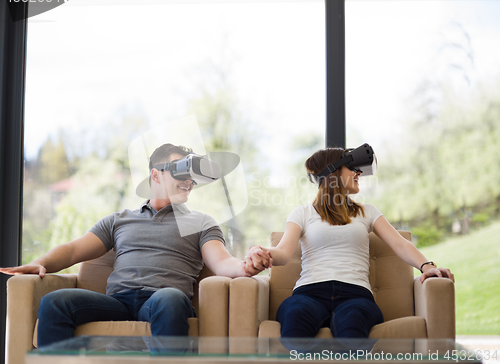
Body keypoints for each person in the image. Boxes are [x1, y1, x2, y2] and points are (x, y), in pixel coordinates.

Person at [0, 143, 271, 347]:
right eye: (179, 170)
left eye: (191, 174)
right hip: (116, 302)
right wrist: (41, 263)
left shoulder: (201, 222)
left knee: (170, 297)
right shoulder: (120, 220)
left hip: (161, 300)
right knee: (55, 303)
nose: (188, 179)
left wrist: (246, 266)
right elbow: (73, 250)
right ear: (155, 175)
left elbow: (222, 262)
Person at [245, 146, 454, 339]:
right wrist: (263, 252)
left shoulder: (367, 211)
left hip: (355, 294)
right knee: (294, 324)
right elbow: (283, 252)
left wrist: (427, 266)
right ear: (333, 171)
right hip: (309, 292)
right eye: (352, 167)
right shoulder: (303, 212)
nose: (359, 173)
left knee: (352, 329)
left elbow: (400, 244)